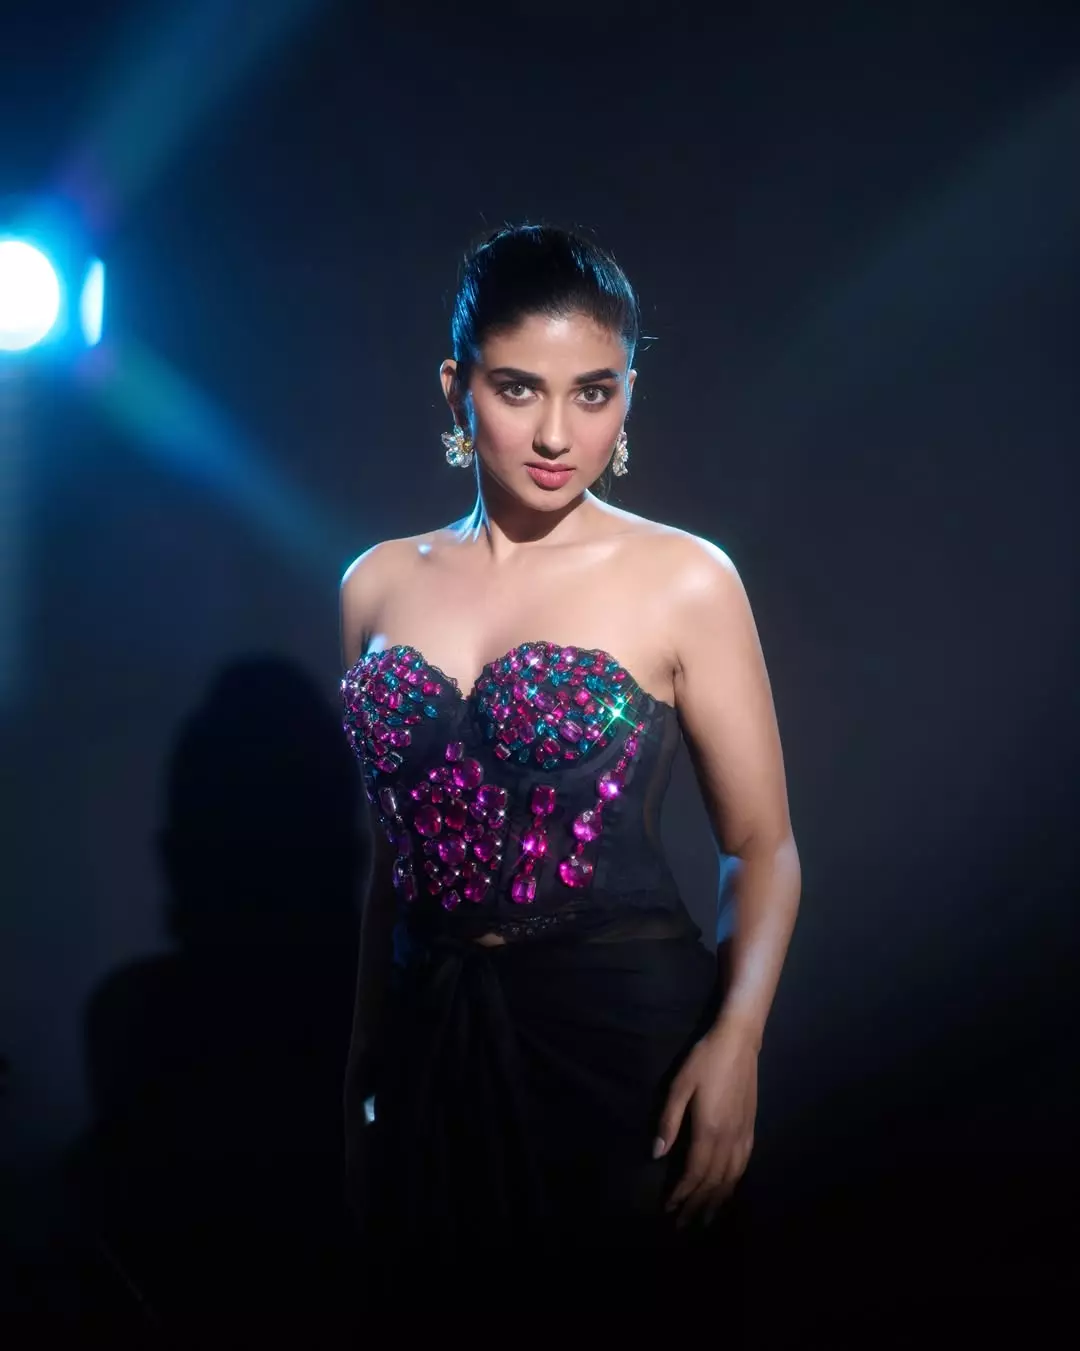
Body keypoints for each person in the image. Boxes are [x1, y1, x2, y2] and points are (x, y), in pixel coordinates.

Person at [339, 224, 801, 1312]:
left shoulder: (683, 578)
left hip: (624, 1049)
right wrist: (362, 1063)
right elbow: (390, 865)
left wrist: (736, 1044)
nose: (557, 433)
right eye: (518, 388)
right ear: (456, 388)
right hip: (430, 1040)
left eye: (595, 393)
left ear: (628, 392)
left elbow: (762, 846)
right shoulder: (374, 585)